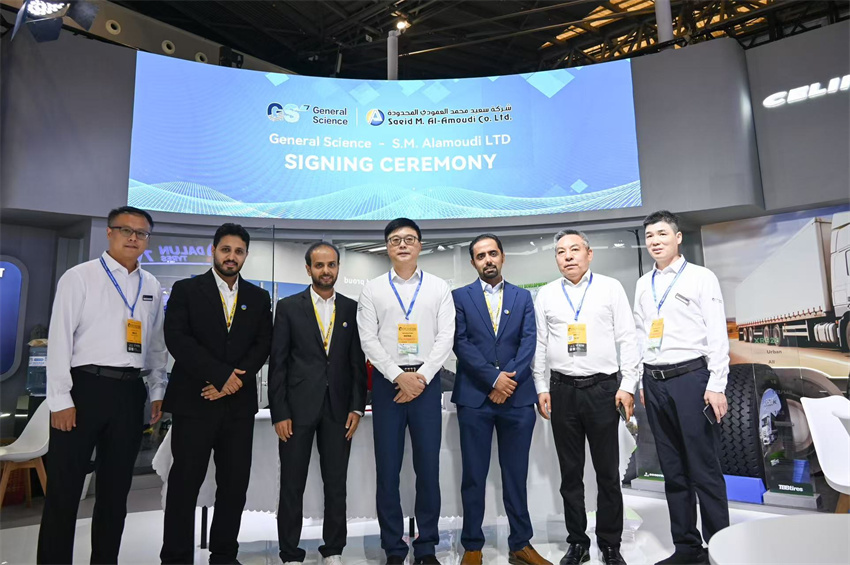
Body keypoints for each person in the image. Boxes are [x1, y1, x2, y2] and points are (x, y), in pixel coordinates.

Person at [38, 206, 167, 565]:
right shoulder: (80, 277)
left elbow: (155, 344)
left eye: (141, 233)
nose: (133, 238)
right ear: (109, 233)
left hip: (129, 393)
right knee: (64, 490)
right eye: (126, 230)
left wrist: (157, 390)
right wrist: (60, 399)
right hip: (84, 389)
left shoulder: (151, 285)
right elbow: (59, 340)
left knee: (115, 492)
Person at [160, 223, 272, 565]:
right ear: (214, 251)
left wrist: (233, 381)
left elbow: (262, 344)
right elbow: (177, 338)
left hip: (238, 406)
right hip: (195, 402)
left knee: (234, 485)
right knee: (184, 484)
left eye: (238, 251)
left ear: (246, 255)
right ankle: (176, 557)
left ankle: (224, 554)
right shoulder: (187, 290)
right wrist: (222, 376)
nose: (231, 257)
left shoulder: (258, 297)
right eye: (226, 250)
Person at [533, 230, 640, 565]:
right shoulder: (547, 294)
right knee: (570, 474)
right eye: (561, 251)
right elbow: (539, 343)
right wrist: (541, 386)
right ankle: (577, 543)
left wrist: (628, 385)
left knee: (607, 473)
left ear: (589, 254)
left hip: (603, 390)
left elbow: (628, 338)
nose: (568, 256)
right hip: (562, 391)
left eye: (574, 249)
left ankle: (610, 544)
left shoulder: (610, 288)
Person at [356, 218, 455, 565]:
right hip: (388, 385)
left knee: (428, 469)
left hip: (426, 385)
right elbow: (368, 339)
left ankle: (426, 546)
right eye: (395, 239)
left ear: (420, 246)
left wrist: (421, 378)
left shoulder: (438, 288)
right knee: (388, 471)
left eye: (409, 239)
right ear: (387, 247)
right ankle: (394, 548)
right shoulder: (372, 289)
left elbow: (446, 337)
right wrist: (399, 376)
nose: (402, 244)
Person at [633, 211, 729, 565]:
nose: (655, 241)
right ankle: (687, 547)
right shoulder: (643, 284)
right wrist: (641, 380)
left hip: (692, 380)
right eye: (649, 236)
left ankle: (720, 548)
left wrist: (717, 383)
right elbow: (641, 333)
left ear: (678, 237)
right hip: (654, 381)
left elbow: (717, 332)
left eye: (662, 234)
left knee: (704, 469)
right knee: (672, 469)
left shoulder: (701, 277)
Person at [452, 234, 550, 565]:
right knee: (473, 476)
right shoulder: (459, 297)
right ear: (473, 262)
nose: (488, 260)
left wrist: (507, 380)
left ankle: (521, 543)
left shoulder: (523, 297)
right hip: (475, 399)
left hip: (517, 399)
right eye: (481, 256)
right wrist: (493, 379)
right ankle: (472, 546)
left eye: (492, 253)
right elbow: (460, 343)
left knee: (515, 476)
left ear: (503, 257)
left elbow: (529, 342)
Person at [269, 241, 368, 565]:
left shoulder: (352, 308)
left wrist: (356, 407)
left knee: (336, 484)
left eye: (331, 265)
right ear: (308, 268)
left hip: (339, 410)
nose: (326, 271)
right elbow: (278, 363)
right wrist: (279, 412)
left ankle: (333, 550)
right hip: (296, 410)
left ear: (338, 267)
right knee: (291, 484)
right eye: (320, 265)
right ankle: (290, 553)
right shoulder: (288, 307)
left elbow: (357, 363)